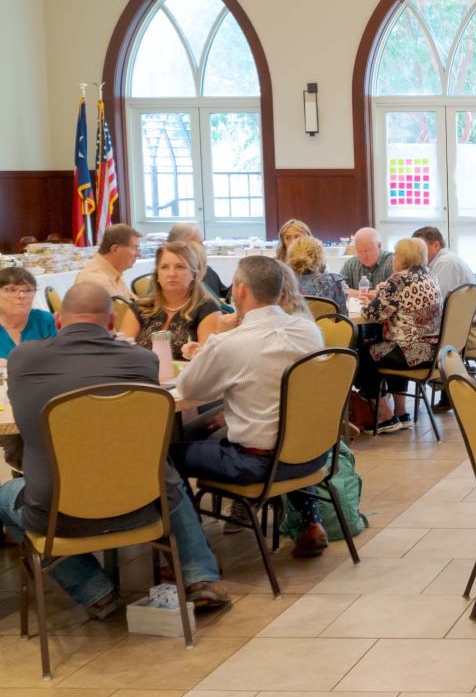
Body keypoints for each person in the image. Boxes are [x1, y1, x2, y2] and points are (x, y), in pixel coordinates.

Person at [3, 285, 229, 614]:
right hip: (142, 505)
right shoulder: (142, 360)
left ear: (58, 319)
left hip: (59, 514)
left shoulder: (23, 359)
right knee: (161, 467)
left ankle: (95, 590)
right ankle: (200, 577)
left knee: (6, 496)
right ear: (111, 323)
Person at [170, 257, 334, 560]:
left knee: (166, 455)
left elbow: (190, 389)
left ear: (240, 290)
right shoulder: (308, 331)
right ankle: (311, 523)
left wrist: (208, 350)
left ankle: (191, 557)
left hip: (256, 464)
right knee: (260, 425)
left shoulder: (229, 343)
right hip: (312, 454)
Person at [358, 237, 442, 433]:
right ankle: (402, 413)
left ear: (402, 257)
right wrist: (382, 295)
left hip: (409, 353)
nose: (393, 258)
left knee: (363, 354)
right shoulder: (429, 276)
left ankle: (385, 416)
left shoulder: (397, 280)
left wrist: (375, 299)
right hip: (431, 351)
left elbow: (371, 314)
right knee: (388, 345)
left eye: (396, 254)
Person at [120, 242, 223, 361]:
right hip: (140, 376)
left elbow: (205, 362)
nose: (171, 274)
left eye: (180, 267)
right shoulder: (140, 308)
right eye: (164, 267)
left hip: (185, 378)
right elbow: (123, 355)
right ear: (157, 275)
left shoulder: (208, 309)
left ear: (193, 274)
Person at [414, 225, 476, 349]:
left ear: (436, 245)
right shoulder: (439, 262)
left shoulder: (445, 263)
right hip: (461, 327)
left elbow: (434, 304)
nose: (417, 253)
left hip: (468, 333)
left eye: (421, 248)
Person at [0, 267, 56, 360]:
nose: (22, 295)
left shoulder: (45, 320)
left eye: (28, 290)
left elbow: (59, 358)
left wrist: (11, 364)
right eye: (12, 290)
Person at [74, 223, 140, 300]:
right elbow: (127, 311)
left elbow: (134, 302)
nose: (138, 254)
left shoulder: (111, 271)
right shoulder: (97, 280)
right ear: (115, 249)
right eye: (135, 248)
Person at [167, 222, 228, 300]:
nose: (203, 247)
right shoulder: (169, 279)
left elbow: (224, 295)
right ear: (181, 246)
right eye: (199, 243)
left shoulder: (206, 270)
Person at [286, 236, 348, 310]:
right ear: (319, 257)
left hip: (294, 321)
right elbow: (343, 316)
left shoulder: (283, 284)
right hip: (325, 321)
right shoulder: (332, 283)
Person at [341, 227, 394, 302]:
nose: (363, 256)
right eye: (359, 251)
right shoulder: (351, 264)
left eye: (367, 251)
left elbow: (398, 290)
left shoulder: (393, 261)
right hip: (356, 310)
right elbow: (339, 288)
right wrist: (363, 294)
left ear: (379, 246)